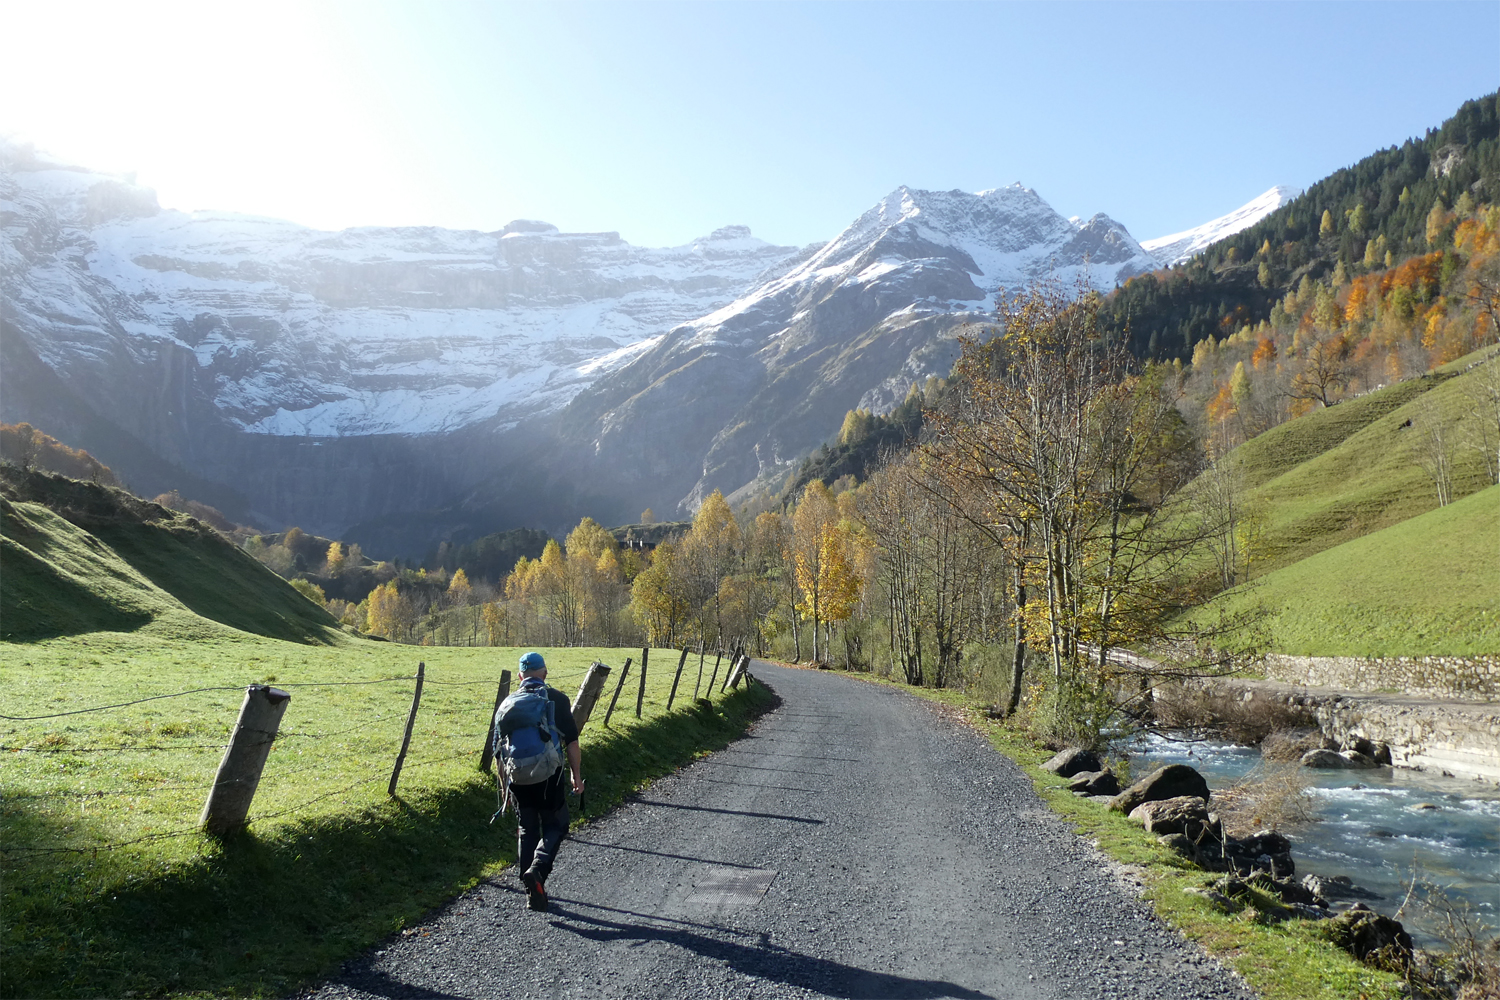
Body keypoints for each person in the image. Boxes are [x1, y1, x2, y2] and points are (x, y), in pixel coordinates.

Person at [509, 651, 582, 911]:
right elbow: (571, 741)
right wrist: (576, 775)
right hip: (549, 775)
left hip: (517, 776)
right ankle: (537, 869)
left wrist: (508, 787)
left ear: (520, 676)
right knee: (557, 825)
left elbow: (500, 747)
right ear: (545, 672)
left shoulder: (510, 702)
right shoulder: (557, 699)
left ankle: (531, 890)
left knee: (528, 828)